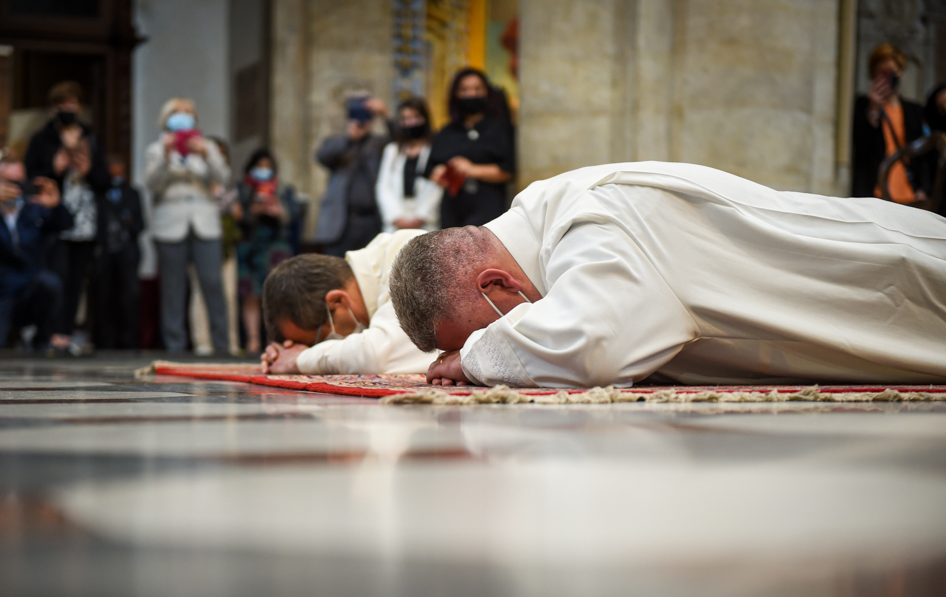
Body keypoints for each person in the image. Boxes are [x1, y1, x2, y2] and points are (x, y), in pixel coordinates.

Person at [389, 162, 946, 388]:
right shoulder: (549, 218)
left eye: (480, 326)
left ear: (495, 285)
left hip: (914, 280)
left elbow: (589, 345)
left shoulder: (593, 223)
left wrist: (476, 356)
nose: (488, 335)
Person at [260, 229, 437, 375]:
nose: (318, 349)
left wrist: (300, 359)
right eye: (307, 347)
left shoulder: (409, 256)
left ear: (337, 301)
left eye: (319, 342)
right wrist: (282, 354)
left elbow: (380, 356)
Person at [25, 81, 110, 351]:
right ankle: (47, 331)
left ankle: (66, 333)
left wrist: (88, 170)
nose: (68, 109)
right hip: (56, 219)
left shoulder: (91, 137)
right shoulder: (42, 138)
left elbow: (105, 181)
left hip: (85, 219)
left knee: (76, 280)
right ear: (53, 109)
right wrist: (55, 167)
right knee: (56, 276)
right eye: (62, 105)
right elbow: (31, 177)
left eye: (73, 104)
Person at [143, 97, 230, 354]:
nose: (183, 116)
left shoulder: (208, 146)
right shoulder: (156, 149)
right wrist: (167, 156)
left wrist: (205, 154)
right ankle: (175, 346)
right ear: (166, 119)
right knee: (173, 288)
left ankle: (222, 345)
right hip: (169, 223)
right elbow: (152, 184)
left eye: (188, 113)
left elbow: (223, 178)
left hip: (205, 221)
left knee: (212, 282)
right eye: (177, 113)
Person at [0, 156, 73, 350]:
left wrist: (56, 205)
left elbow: (65, 224)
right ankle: (9, 333)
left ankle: (42, 339)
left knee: (49, 283)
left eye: (18, 181)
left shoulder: (34, 209)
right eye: (8, 181)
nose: (14, 187)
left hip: (28, 288)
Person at [427, 68, 514, 231]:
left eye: (477, 89)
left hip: (488, 210)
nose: (471, 94)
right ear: (456, 94)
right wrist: (439, 173)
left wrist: (472, 169)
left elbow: (509, 170)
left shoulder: (500, 128)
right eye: (464, 90)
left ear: (486, 92)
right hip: (453, 210)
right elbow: (431, 168)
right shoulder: (446, 131)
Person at [236, 148, 299, 353]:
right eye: (259, 167)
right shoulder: (243, 190)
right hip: (250, 246)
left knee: (276, 294)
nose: (263, 171)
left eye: (267, 167)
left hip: (275, 247)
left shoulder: (283, 190)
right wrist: (252, 212)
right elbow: (236, 219)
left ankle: (274, 340)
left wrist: (279, 211)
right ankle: (253, 340)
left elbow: (294, 218)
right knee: (251, 294)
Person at [314, 94, 391, 257]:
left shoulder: (378, 143)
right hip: (342, 222)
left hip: (371, 221)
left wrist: (386, 115)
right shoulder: (337, 142)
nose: (360, 121)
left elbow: (401, 139)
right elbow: (322, 156)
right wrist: (350, 138)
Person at [852, 43, 929, 202]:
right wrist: (873, 110)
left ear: (901, 73)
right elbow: (861, 148)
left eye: (892, 73)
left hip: (909, 191)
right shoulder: (862, 106)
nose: (887, 79)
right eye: (882, 73)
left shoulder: (915, 111)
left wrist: (923, 188)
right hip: (875, 190)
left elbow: (923, 154)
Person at [91, 154, 143, 349]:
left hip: (127, 252)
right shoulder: (99, 193)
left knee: (130, 295)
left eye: (117, 164)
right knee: (104, 296)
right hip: (104, 253)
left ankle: (129, 341)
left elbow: (140, 224)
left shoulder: (132, 193)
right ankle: (106, 341)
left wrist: (127, 225)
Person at [375, 97, 442, 233]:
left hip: (425, 223)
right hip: (396, 222)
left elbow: (438, 186)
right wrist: (396, 217)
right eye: (406, 119)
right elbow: (383, 186)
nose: (411, 123)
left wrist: (422, 216)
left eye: (416, 117)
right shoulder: (392, 150)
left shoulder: (436, 149)